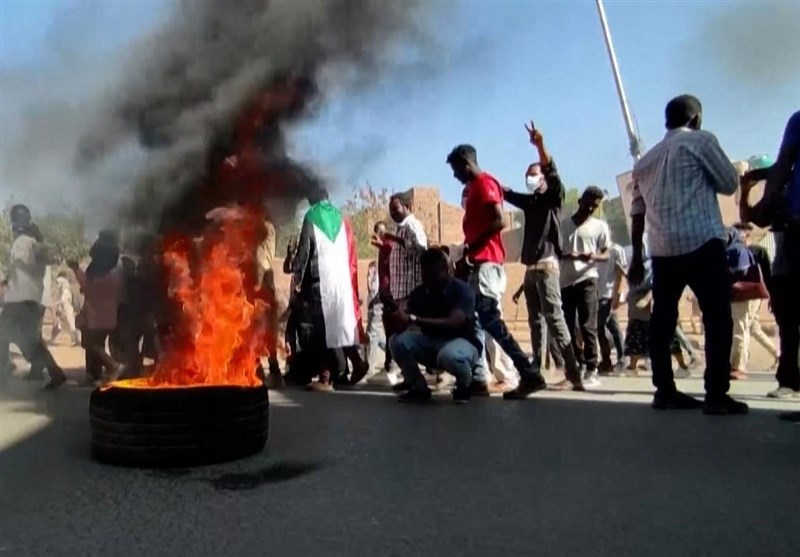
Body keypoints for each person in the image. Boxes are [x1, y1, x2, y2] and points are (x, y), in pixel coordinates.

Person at [629, 94, 747, 415]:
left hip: (663, 249)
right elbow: (727, 182)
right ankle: (716, 393)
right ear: (696, 119)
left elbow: (637, 211)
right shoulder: (701, 141)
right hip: (701, 240)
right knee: (717, 317)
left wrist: (637, 256)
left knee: (663, 320)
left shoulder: (645, 162)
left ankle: (664, 390)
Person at [446, 143, 547, 399]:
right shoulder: (475, 188)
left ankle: (528, 373)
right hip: (478, 265)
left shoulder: (485, 183)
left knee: (490, 320)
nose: (455, 176)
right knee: (475, 322)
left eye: (456, 170)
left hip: (487, 265)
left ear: (466, 163)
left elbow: (499, 220)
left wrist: (471, 248)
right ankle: (479, 379)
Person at [501, 122, 584, 392]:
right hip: (531, 269)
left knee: (555, 318)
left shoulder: (554, 198)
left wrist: (540, 147)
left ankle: (574, 373)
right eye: (527, 175)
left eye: (534, 173)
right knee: (535, 322)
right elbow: (508, 194)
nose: (530, 177)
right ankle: (536, 372)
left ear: (544, 179)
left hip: (548, 267)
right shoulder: (532, 202)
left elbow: (552, 171)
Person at [740, 109, 800, 403]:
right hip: (790, 240)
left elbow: (784, 161)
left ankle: (789, 378)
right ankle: (789, 378)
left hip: (793, 237)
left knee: (789, 316)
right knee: (789, 315)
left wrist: (755, 189)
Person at [291, 188, 367, 391]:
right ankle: (356, 363)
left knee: (321, 330)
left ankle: (326, 378)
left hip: (319, 283)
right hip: (341, 281)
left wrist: (297, 277)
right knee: (340, 325)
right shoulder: (341, 217)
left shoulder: (312, 215)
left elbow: (304, 253)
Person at [387, 248, 481, 403]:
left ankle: (464, 384)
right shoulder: (420, 292)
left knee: (449, 354)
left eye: (433, 272)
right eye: (425, 271)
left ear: (445, 270)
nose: (427, 276)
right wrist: (395, 315)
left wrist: (414, 319)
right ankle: (418, 387)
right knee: (396, 341)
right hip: (431, 344)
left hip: (462, 344)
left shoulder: (461, 290)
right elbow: (403, 320)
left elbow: (454, 322)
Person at [0, 205, 66, 388]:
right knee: (31, 340)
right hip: (31, 299)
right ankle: (55, 373)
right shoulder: (35, 243)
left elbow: (27, 263)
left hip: (18, 299)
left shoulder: (22, 242)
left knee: (2, 335)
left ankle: (2, 374)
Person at [559, 186, 610, 388]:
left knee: (588, 324)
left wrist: (593, 256)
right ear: (580, 201)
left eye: (594, 206)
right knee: (569, 325)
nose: (590, 209)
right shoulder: (564, 225)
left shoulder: (600, 226)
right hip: (566, 280)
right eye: (588, 204)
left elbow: (606, 253)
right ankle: (576, 364)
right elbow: (555, 251)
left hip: (588, 277)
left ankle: (591, 368)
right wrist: (570, 255)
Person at [70, 230, 124, 386]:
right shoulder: (112, 270)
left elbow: (89, 288)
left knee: (93, 345)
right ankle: (94, 376)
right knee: (93, 344)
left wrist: (75, 269)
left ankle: (113, 366)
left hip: (98, 315)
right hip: (104, 314)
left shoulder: (105, 272)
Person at [597, 241, 626, 374]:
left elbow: (620, 273)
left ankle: (610, 359)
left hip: (608, 294)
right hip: (596, 294)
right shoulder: (595, 250)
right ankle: (619, 358)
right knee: (612, 327)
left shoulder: (616, 250)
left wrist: (617, 294)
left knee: (600, 327)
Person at [50, 270, 80, 346]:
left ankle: (77, 341)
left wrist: (53, 304)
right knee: (58, 326)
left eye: (59, 283)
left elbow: (63, 301)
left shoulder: (66, 290)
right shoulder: (63, 289)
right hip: (63, 312)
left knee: (73, 327)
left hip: (68, 311)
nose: (58, 284)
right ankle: (52, 340)